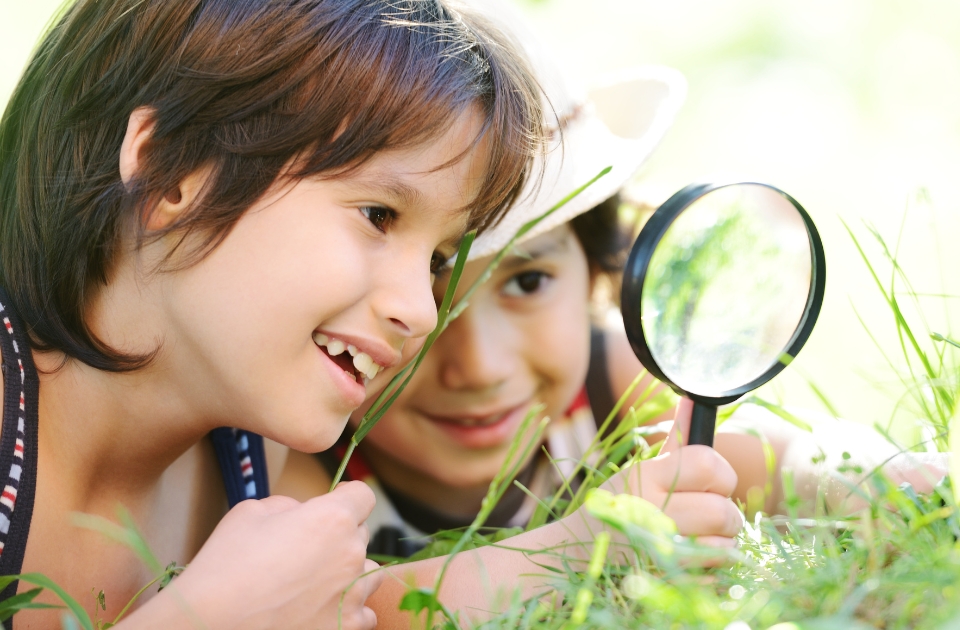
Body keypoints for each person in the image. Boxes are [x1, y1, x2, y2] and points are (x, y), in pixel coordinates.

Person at [275, 2, 960, 625]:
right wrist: (582, 544)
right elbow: (351, 609)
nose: (480, 366)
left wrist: (881, 476)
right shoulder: (307, 452)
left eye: (527, 282)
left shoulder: (610, 379)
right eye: (436, 286)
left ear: (597, 274)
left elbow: (769, 459)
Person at [0, 0, 553, 627]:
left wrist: (599, 542)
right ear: (168, 174)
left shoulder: (252, 452)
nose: (420, 312)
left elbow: (357, 612)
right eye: (379, 215)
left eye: (436, 259)